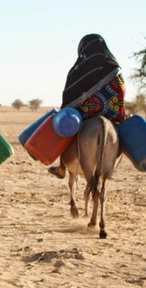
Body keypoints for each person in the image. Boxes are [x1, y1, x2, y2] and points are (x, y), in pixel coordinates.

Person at [48, 33, 126, 179]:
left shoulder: (79, 69)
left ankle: (62, 167)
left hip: (87, 113)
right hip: (113, 113)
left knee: (65, 125)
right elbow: (121, 93)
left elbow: (69, 95)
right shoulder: (115, 67)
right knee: (124, 131)